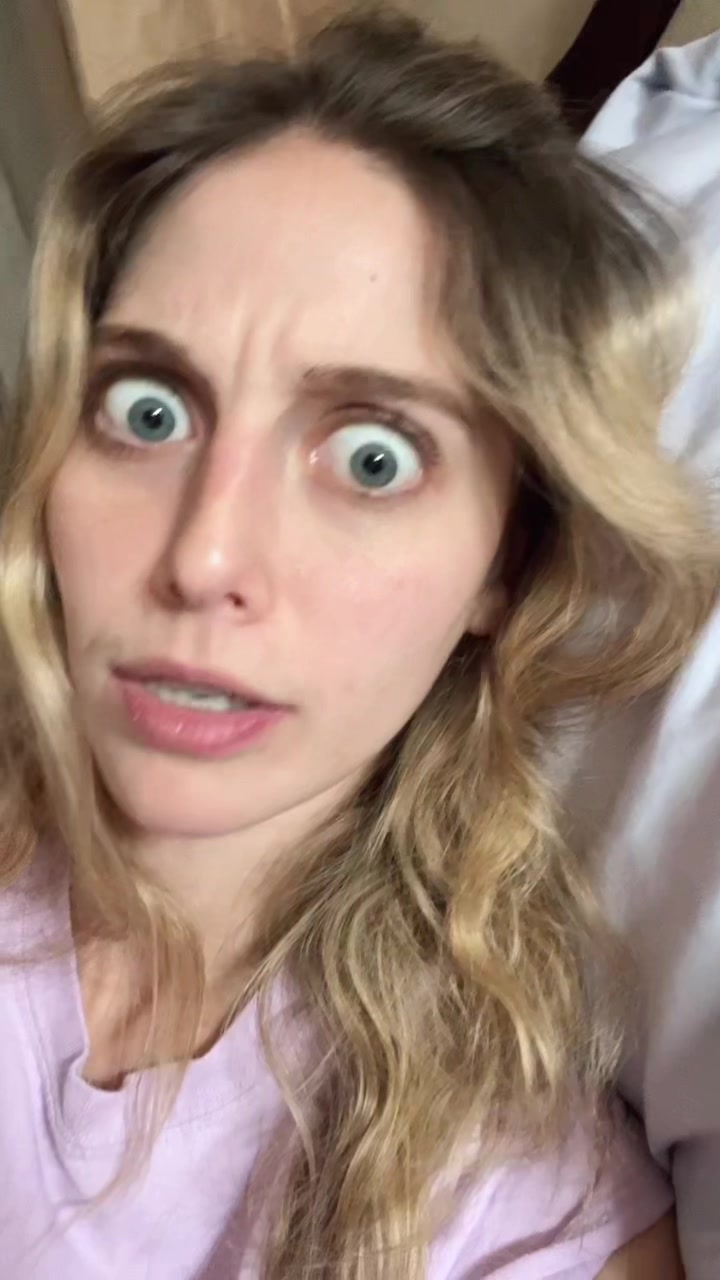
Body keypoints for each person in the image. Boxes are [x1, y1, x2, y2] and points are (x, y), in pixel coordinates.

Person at [0, 10, 714, 1278]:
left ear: (507, 563)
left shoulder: (508, 1206)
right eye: (148, 410)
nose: (204, 557)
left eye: (373, 457)